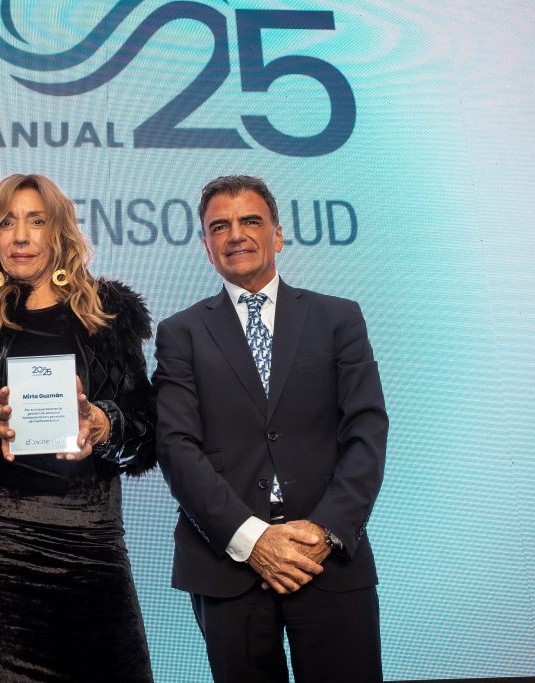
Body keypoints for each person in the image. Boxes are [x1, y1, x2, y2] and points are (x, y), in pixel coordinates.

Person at [0, 173, 156, 682]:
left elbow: (150, 431)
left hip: (91, 535)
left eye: (36, 221)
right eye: (7, 223)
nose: (20, 236)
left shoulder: (109, 317)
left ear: (59, 232)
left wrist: (104, 424)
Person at [153, 175, 387, 681]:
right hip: (227, 565)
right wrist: (252, 539)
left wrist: (325, 530)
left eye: (250, 221)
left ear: (277, 235)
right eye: (220, 226)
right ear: (206, 246)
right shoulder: (179, 334)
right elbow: (175, 447)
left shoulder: (339, 318)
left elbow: (366, 431)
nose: (235, 234)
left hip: (327, 557)